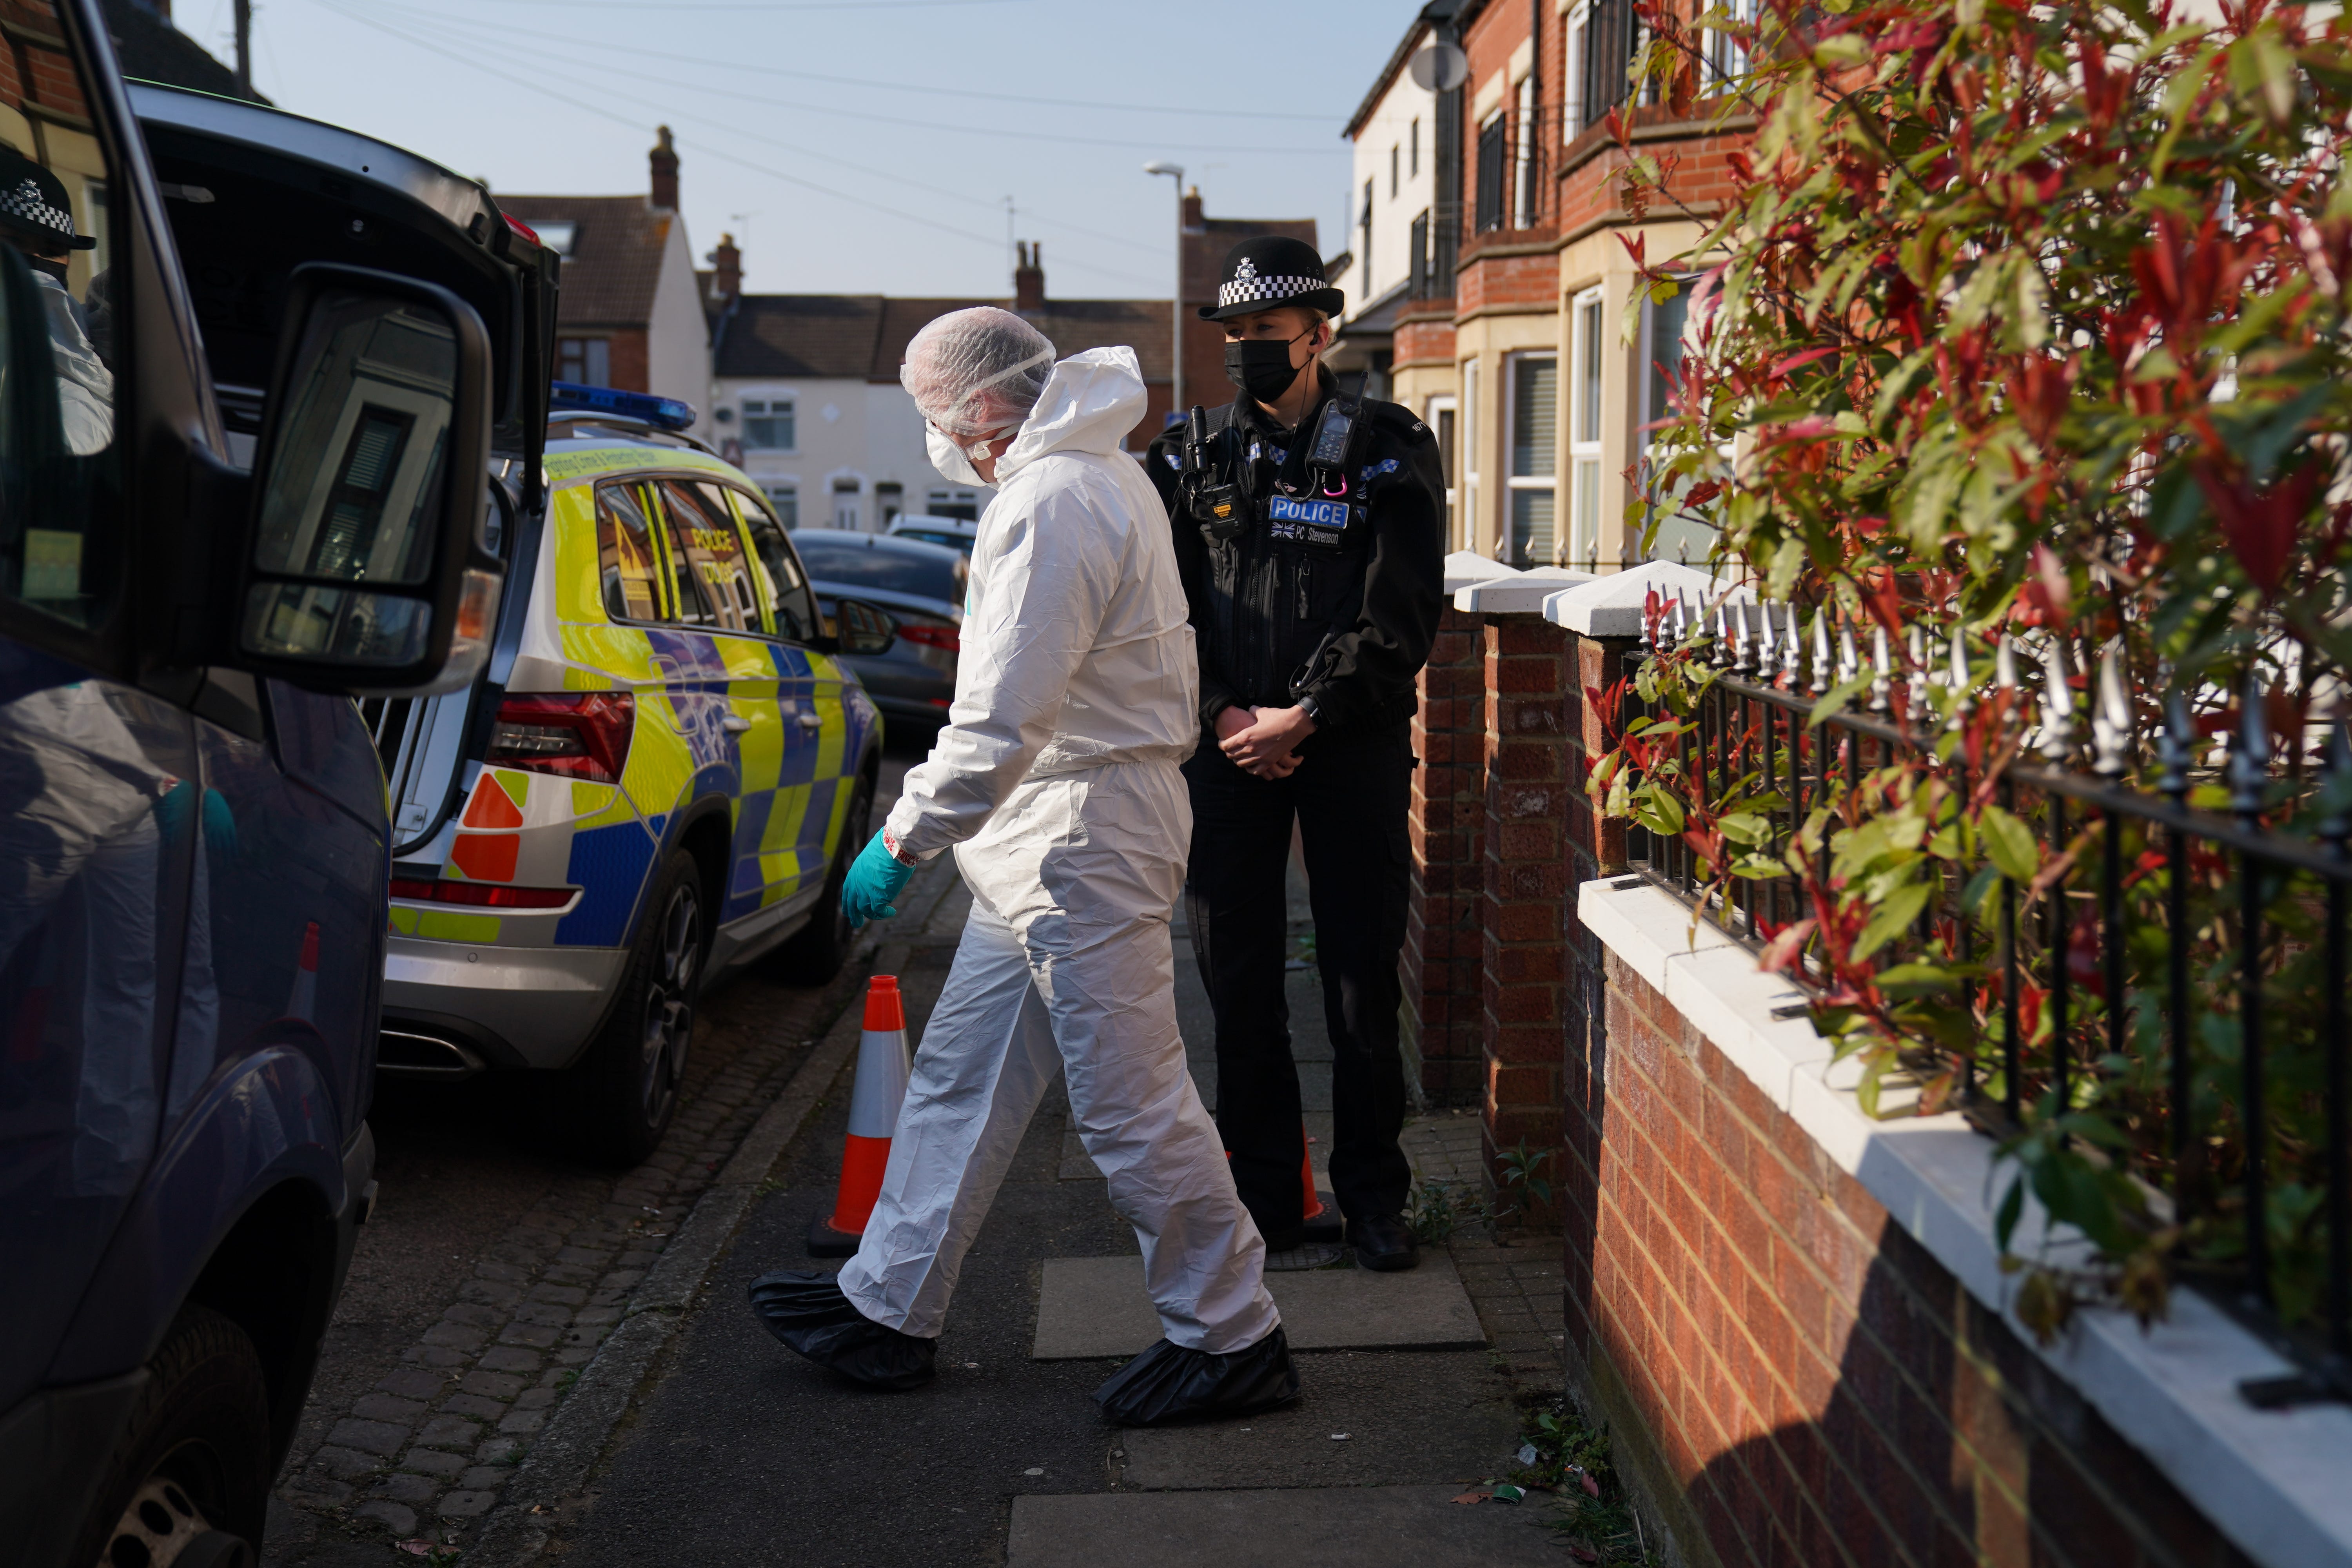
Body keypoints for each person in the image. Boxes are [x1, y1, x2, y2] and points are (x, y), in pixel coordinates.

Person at [749, 307, 1296, 1426]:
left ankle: (1232, 1333)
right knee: (962, 1076)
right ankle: (889, 1303)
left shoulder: (1050, 503)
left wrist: (903, 840)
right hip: (1058, 837)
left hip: (1079, 837)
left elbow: (1001, 716)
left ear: (986, 406)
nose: (934, 434)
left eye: (933, 412)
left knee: (1132, 1101)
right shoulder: (1093, 476)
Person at [1145, 236, 1446, 1273]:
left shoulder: (1388, 446)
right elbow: (1163, 612)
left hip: (1350, 746)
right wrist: (1229, 714)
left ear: (1318, 336)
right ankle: (1267, 1202)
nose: (1244, 354)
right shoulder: (1186, 456)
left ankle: (1373, 1201)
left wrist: (1306, 715)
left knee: (1361, 982)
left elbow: (1403, 612)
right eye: (1233, 338)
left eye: (1264, 336)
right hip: (1225, 754)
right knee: (1241, 984)